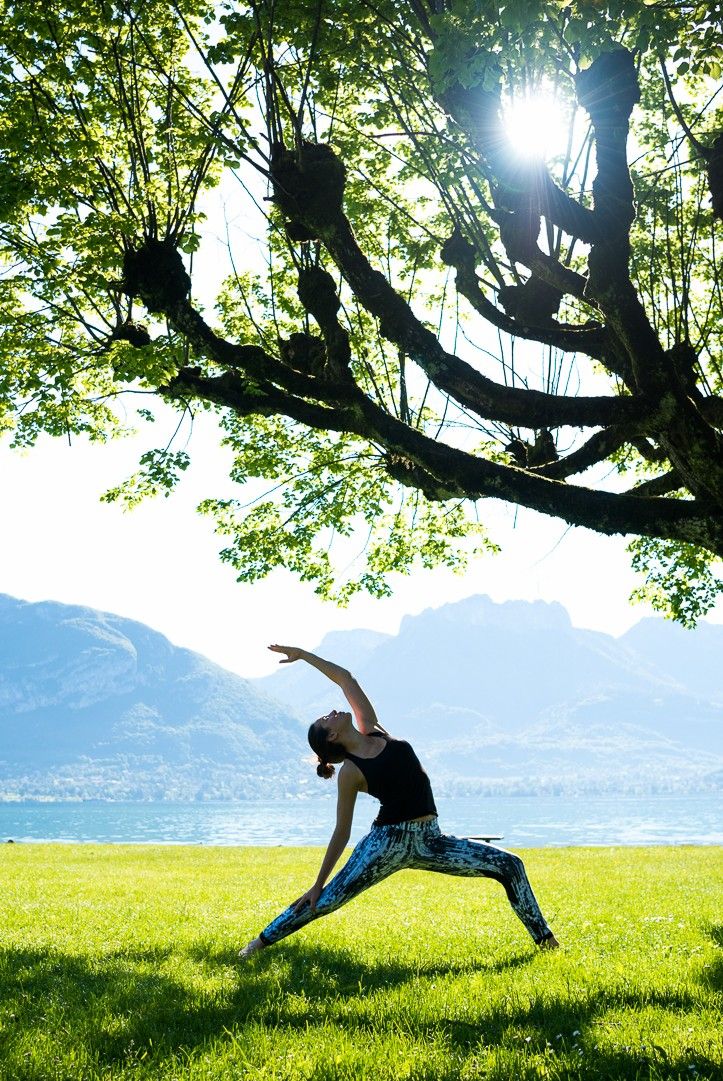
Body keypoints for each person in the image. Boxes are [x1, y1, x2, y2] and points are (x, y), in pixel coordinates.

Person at [239, 645, 559, 958]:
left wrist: (304, 656)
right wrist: (318, 883)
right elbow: (341, 831)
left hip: (431, 840)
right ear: (332, 736)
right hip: (386, 843)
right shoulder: (350, 772)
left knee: (510, 864)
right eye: (327, 718)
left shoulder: (374, 730)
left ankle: (546, 944)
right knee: (324, 901)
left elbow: (346, 678)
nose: (333, 711)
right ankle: (257, 944)